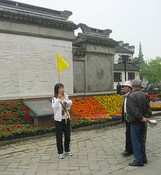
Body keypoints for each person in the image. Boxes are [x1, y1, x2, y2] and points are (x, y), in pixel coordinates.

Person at [127, 79, 150, 166]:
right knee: (142, 140)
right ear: (140, 86)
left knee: (136, 141)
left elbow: (134, 110)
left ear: (133, 87)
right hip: (144, 121)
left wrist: (141, 118)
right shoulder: (145, 95)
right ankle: (144, 158)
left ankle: (138, 160)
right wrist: (146, 117)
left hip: (135, 122)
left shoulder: (131, 96)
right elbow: (148, 108)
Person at [52, 83, 73, 159]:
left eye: (62, 88)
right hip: (58, 120)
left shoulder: (66, 96)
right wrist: (58, 99)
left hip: (66, 118)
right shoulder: (54, 98)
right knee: (59, 137)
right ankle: (60, 152)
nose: (61, 90)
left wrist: (67, 105)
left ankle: (67, 150)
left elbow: (68, 107)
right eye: (60, 88)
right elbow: (54, 107)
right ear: (57, 90)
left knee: (67, 135)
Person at [121, 81, 133, 156]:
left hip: (131, 118)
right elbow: (124, 107)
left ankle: (129, 150)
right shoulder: (126, 95)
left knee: (130, 134)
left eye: (125, 87)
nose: (124, 88)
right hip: (127, 117)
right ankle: (129, 149)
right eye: (124, 87)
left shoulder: (131, 96)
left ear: (129, 88)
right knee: (128, 133)